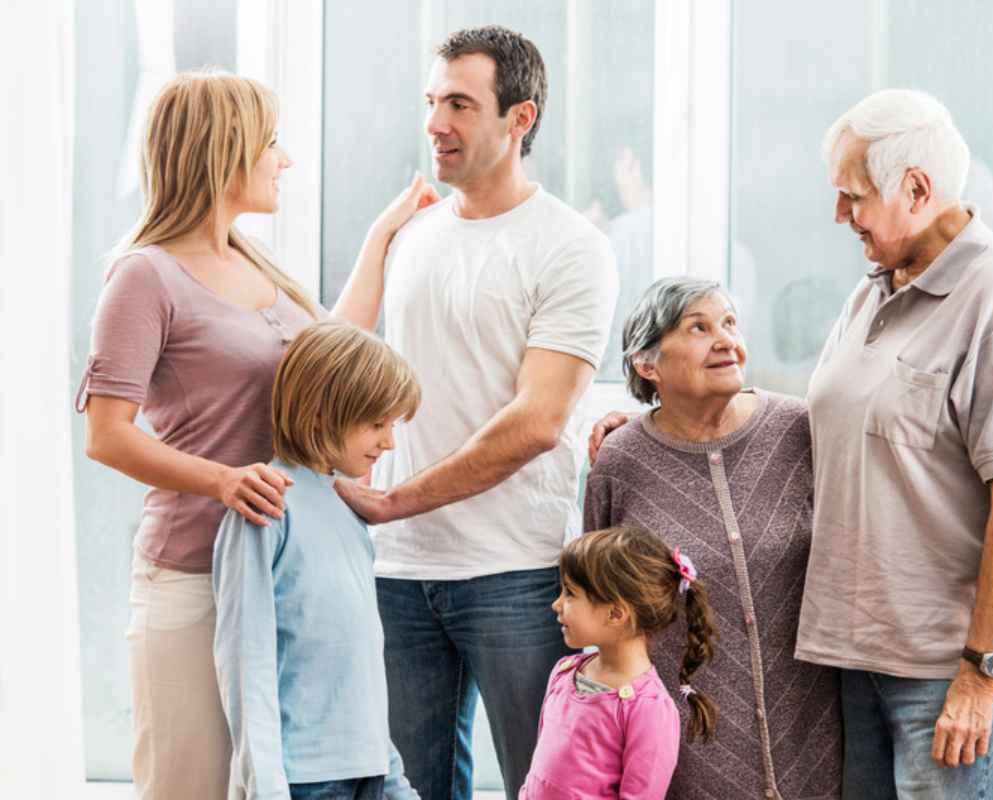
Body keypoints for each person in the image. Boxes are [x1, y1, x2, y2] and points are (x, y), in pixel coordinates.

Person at [77, 71, 435, 799]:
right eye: (271, 142)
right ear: (225, 149)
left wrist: (383, 235)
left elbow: (333, 354)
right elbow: (107, 436)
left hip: (283, 574)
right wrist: (222, 480)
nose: (285, 160)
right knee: (194, 786)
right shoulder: (144, 276)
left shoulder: (256, 263)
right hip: (191, 575)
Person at [333, 26, 619, 800]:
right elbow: (339, 369)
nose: (435, 123)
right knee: (404, 789)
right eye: (432, 102)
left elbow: (536, 422)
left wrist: (393, 500)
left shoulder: (571, 246)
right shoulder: (414, 239)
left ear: (519, 119)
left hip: (515, 574)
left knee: (545, 785)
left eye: (460, 103)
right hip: (396, 570)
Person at [800, 89, 993, 799]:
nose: (839, 216)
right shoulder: (874, 291)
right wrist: (671, 416)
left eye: (852, 196)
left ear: (915, 188)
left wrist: (982, 676)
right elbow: (831, 416)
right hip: (862, 655)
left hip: (948, 669)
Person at [585, 277, 842, 799]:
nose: (725, 339)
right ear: (647, 363)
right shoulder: (621, 460)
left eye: (729, 323)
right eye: (698, 328)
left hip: (814, 726)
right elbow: (600, 608)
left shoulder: (799, 430)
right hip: (685, 744)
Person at [211, 322, 420, 800]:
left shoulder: (347, 510)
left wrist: (389, 772)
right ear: (324, 412)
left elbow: (356, 663)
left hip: (369, 770)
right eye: (377, 424)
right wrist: (265, 786)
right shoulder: (266, 507)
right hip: (304, 779)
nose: (389, 442)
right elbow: (245, 663)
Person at [520, 526, 716, 799]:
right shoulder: (563, 672)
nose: (557, 604)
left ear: (615, 613)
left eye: (570, 593)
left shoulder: (649, 708)